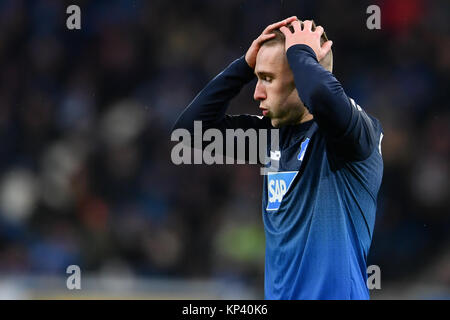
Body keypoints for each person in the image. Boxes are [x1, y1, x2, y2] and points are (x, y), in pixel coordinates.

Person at [172, 16, 384, 300]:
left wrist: (299, 52)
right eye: (257, 78)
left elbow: (321, 93)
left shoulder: (354, 138)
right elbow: (190, 132)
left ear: (302, 79)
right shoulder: (270, 139)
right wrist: (243, 67)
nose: (257, 93)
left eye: (268, 79)